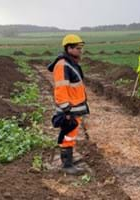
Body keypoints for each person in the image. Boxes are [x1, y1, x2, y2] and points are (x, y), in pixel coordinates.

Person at [48, 34, 90, 175]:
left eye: (81, 48)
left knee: (70, 135)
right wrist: (66, 110)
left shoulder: (70, 63)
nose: (80, 51)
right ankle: (67, 165)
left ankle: (68, 161)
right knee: (68, 135)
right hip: (69, 109)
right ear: (69, 48)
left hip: (74, 108)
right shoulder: (63, 65)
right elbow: (60, 89)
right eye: (78, 48)